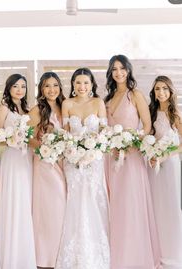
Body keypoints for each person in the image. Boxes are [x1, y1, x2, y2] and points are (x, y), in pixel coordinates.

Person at [104, 55, 161, 269]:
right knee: (115, 205)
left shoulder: (134, 94)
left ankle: (135, 255)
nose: (119, 73)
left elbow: (146, 125)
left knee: (131, 205)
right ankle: (117, 253)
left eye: (122, 68)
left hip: (132, 157)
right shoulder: (107, 98)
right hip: (111, 158)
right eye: (115, 69)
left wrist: (130, 143)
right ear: (110, 72)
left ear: (128, 70)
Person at [55, 67, 110, 269]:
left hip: (95, 160)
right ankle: (75, 252)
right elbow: (65, 132)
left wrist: (94, 148)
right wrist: (73, 152)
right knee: (76, 199)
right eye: (78, 82)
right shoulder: (67, 104)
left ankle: (97, 249)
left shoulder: (98, 102)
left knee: (94, 198)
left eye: (86, 82)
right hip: (73, 160)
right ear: (73, 85)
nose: (82, 86)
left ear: (92, 84)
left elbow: (104, 131)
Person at [0, 74, 37, 269]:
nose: (19, 90)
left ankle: (25, 249)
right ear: (9, 88)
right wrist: (12, 140)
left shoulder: (27, 109)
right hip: (12, 158)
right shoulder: (4, 108)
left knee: (26, 200)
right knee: (14, 199)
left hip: (27, 157)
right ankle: (11, 252)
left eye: (23, 86)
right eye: (15, 86)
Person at [28, 71, 66, 269]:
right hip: (45, 164)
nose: (52, 89)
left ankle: (60, 254)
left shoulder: (64, 106)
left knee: (63, 209)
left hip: (63, 162)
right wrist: (44, 149)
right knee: (51, 208)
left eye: (55, 85)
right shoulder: (37, 110)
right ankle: (45, 258)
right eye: (47, 86)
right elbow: (27, 137)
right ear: (42, 89)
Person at [148, 75, 182, 269]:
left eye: (164, 89)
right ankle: (156, 250)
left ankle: (172, 252)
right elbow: (148, 137)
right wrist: (152, 154)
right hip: (154, 166)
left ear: (170, 91)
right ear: (154, 92)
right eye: (157, 89)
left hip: (170, 165)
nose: (161, 92)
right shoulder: (152, 113)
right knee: (155, 206)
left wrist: (164, 155)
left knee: (170, 206)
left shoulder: (175, 115)